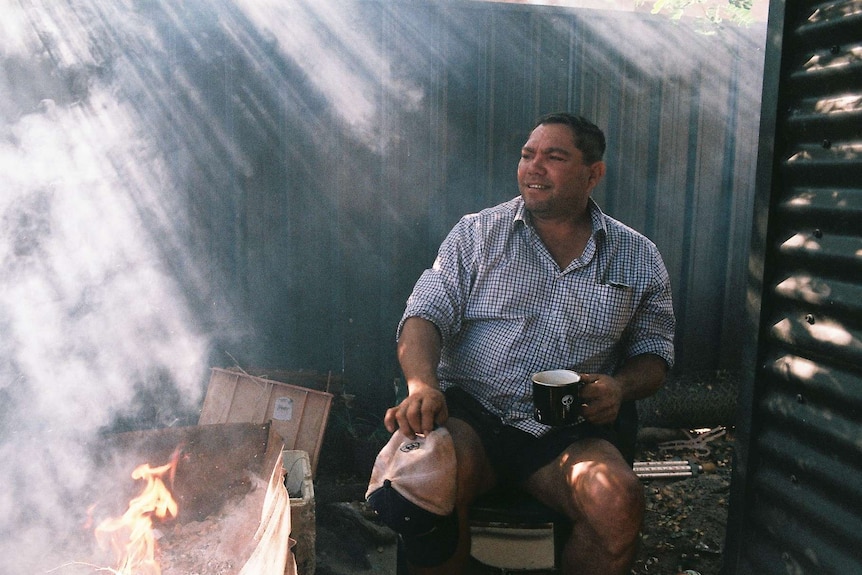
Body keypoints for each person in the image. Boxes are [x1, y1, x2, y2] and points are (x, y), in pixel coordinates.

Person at [383, 112, 675, 575]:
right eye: (527, 155)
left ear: (593, 174)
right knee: (430, 483)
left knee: (618, 502)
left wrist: (619, 388)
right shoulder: (478, 234)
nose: (533, 167)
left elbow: (655, 352)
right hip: (473, 416)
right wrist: (421, 385)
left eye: (554, 157)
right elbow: (423, 316)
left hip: (567, 430)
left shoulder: (637, 255)